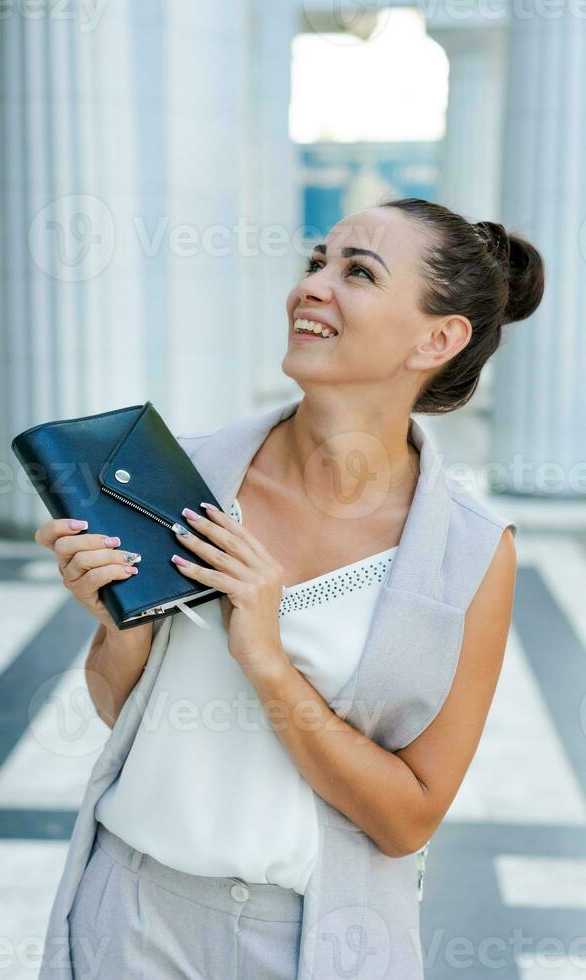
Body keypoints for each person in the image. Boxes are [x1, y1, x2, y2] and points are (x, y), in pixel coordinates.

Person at [34, 198, 544, 979]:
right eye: (317, 262)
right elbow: (116, 711)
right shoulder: (179, 477)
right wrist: (117, 622)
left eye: (359, 272)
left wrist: (268, 660)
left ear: (438, 339)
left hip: (312, 939)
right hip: (128, 914)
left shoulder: (471, 554)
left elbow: (408, 817)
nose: (314, 286)